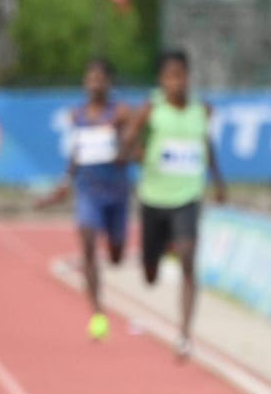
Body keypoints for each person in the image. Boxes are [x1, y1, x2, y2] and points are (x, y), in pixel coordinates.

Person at [123, 49, 226, 360]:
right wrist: (134, 150)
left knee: (188, 258)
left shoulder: (201, 111)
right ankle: (157, 252)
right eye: (170, 76)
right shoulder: (150, 110)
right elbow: (129, 142)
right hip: (154, 199)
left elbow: (206, 144)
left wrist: (218, 180)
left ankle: (184, 333)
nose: (176, 82)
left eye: (181, 75)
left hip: (187, 197)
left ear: (188, 77)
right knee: (150, 273)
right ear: (161, 80)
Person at [35, 58, 134, 339]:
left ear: (109, 83)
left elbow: (131, 145)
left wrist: (123, 141)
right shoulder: (78, 115)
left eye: (100, 78)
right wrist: (66, 179)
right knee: (88, 244)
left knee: (116, 255)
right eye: (90, 79)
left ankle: (114, 249)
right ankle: (98, 312)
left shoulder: (122, 112)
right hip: (88, 191)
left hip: (117, 193)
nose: (94, 84)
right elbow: (77, 151)